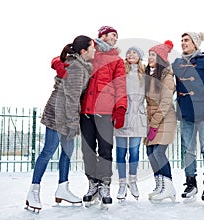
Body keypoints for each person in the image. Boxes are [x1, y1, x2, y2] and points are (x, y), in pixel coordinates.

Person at [53, 26, 127, 208]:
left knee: (105, 150)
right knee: (87, 150)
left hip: (106, 110)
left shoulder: (116, 60)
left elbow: (121, 85)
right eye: (112, 34)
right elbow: (65, 57)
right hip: (85, 110)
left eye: (117, 36)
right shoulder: (90, 52)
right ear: (102, 36)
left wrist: (121, 107)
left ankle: (105, 185)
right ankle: (92, 183)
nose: (115, 38)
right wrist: (58, 63)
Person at [25, 35, 95, 212]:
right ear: (83, 51)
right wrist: (73, 125)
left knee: (67, 152)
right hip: (58, 112)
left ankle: (63, 188)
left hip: (67, 113)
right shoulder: (78, 68)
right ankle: (33, 191)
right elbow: (72, 98)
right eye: (92, 47)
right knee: (49, 150)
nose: (95, 50)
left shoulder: (81, 66)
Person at [172, 32, 204, 203]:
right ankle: (190, 183)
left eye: (186, 40)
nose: (183, 43)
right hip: (186, 113)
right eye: (182, 40)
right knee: (188, 149)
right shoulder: (177, 63)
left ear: (195, 43)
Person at [144, 40, 177, 202]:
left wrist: (155, 122)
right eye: (149, 54)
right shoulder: (150, 75)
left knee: (158, 152)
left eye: (153, 55)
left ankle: (169, 187)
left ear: (161, 58)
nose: (150, 57)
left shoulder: (167, 76)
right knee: (150, 152)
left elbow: (165, 101)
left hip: (165, 118)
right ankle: (160, 185)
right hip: (153, 119)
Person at [114, 46, 147, 202]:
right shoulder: (121, 73)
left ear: (139, 57)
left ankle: (132, 181)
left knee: (134, 152)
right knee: (121, 153)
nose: (131, 54)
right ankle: (122, 183)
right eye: (128, 53)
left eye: (134, 52)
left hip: (139, 116)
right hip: (123, 115)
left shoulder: (144, 75)